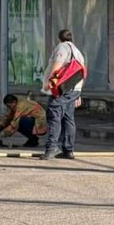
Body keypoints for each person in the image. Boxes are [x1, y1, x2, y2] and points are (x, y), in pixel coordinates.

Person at [39, 29, 85, 160]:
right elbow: (81, 73)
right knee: (68, 118)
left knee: (54, 115)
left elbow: (57, 66)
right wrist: (78, 93)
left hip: (62, 89)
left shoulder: (62, 48)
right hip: (74, 89)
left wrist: (49, 83)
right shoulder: (78, 52)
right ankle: (68, 149)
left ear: (59, 38)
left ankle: (51, 148)